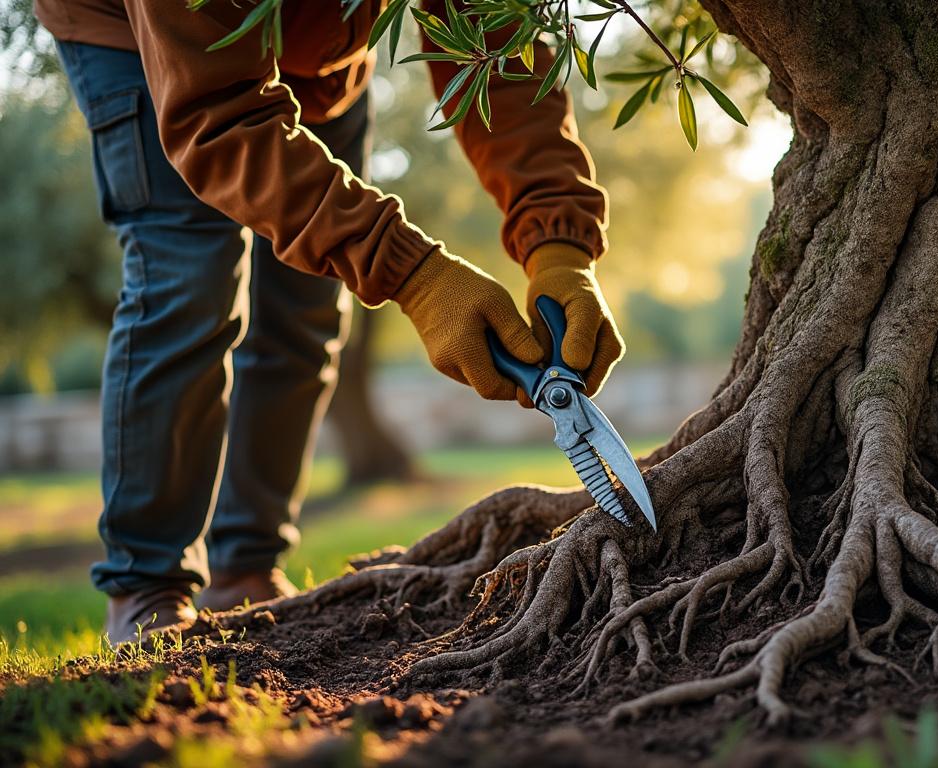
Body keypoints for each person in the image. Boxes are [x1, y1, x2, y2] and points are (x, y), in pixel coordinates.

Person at [34, 0, 623, 644]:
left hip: (317, 58)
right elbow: (218, 117)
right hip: (153, 46)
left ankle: (247, 570)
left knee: (310, 302)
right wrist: (416, 275)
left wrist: (558, 242)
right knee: (187, 280)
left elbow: (496, 49)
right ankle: (147, 585)